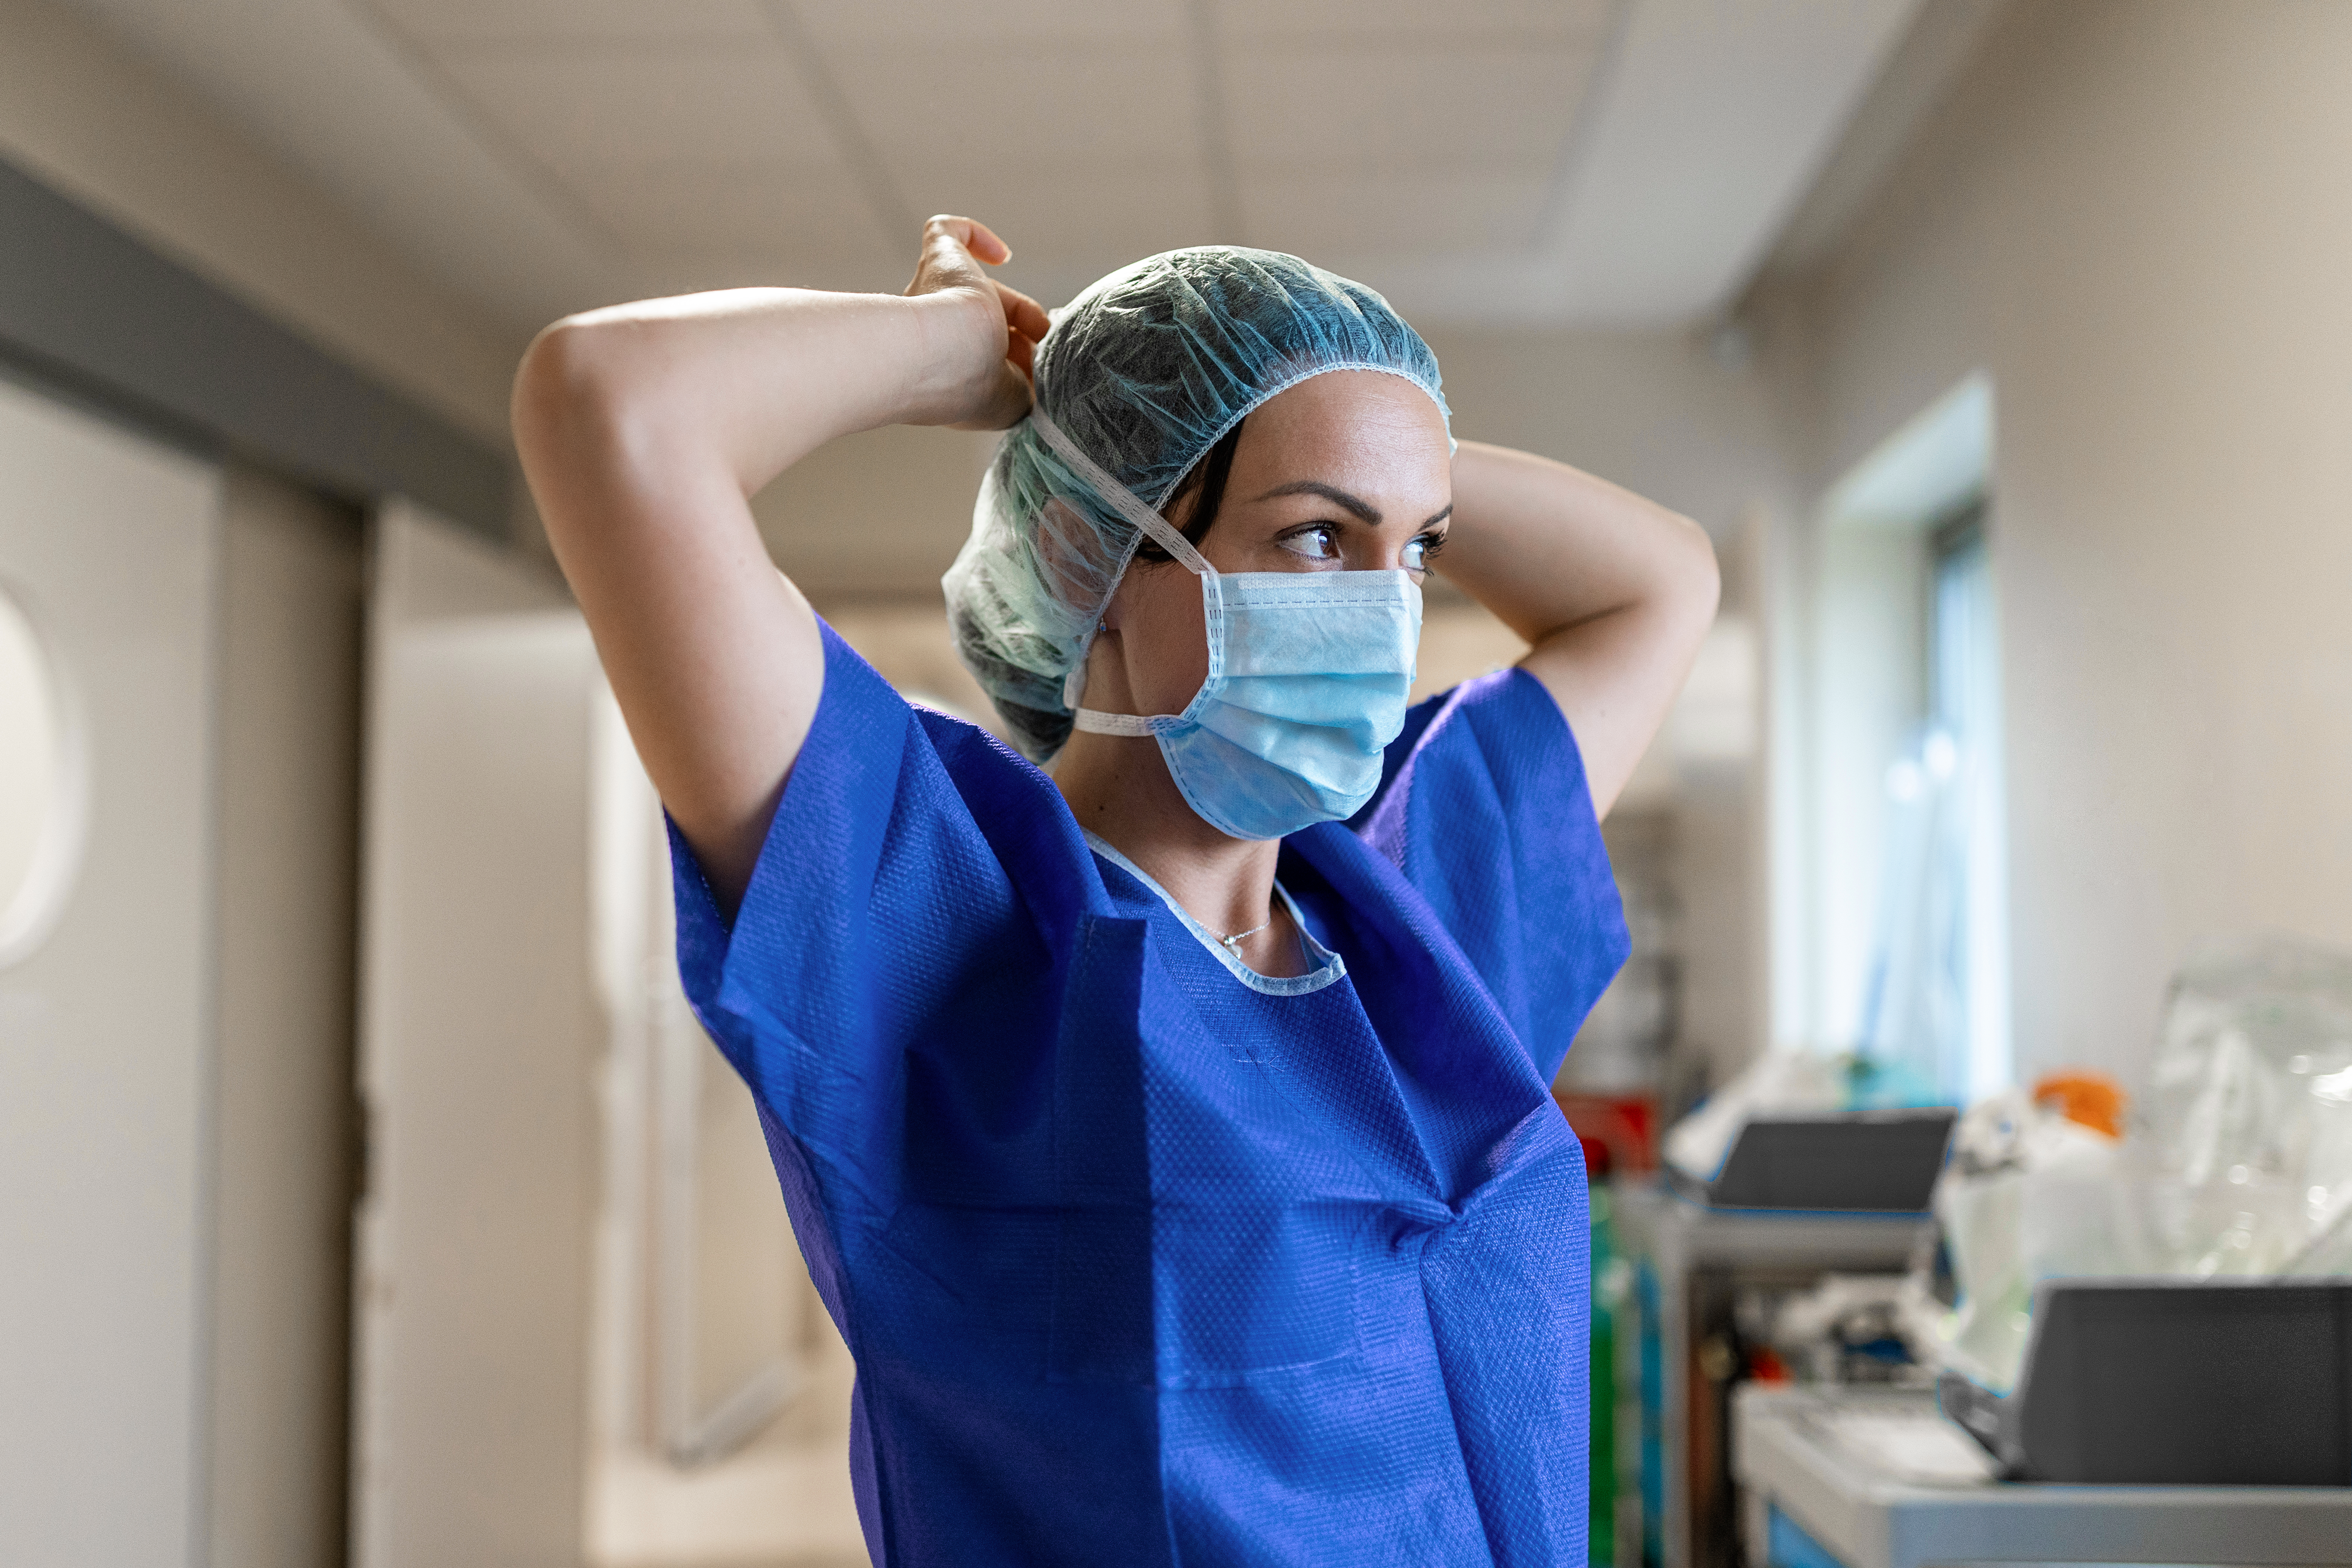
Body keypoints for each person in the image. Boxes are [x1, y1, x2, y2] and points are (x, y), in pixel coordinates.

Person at [515, 218, 1719, 1567]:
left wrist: (1354, 438)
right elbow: (609, 406)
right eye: (1318, 542)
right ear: (1090, 549)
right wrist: (970, 362)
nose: (1386, 607)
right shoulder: (938, 916)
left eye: (1417, 552)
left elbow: (1661, 581)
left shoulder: (1402, 908)